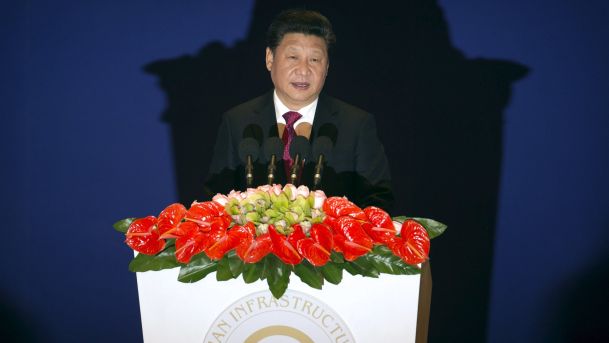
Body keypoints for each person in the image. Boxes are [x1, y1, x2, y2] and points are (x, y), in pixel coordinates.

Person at [203, 9, 393, 211]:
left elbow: (378, 203)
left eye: (315, 59)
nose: (303, 70)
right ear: (269, 58)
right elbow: (216, 202)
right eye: (293, 57)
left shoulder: (356, 125)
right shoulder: (237, 122)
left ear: (327, 66)